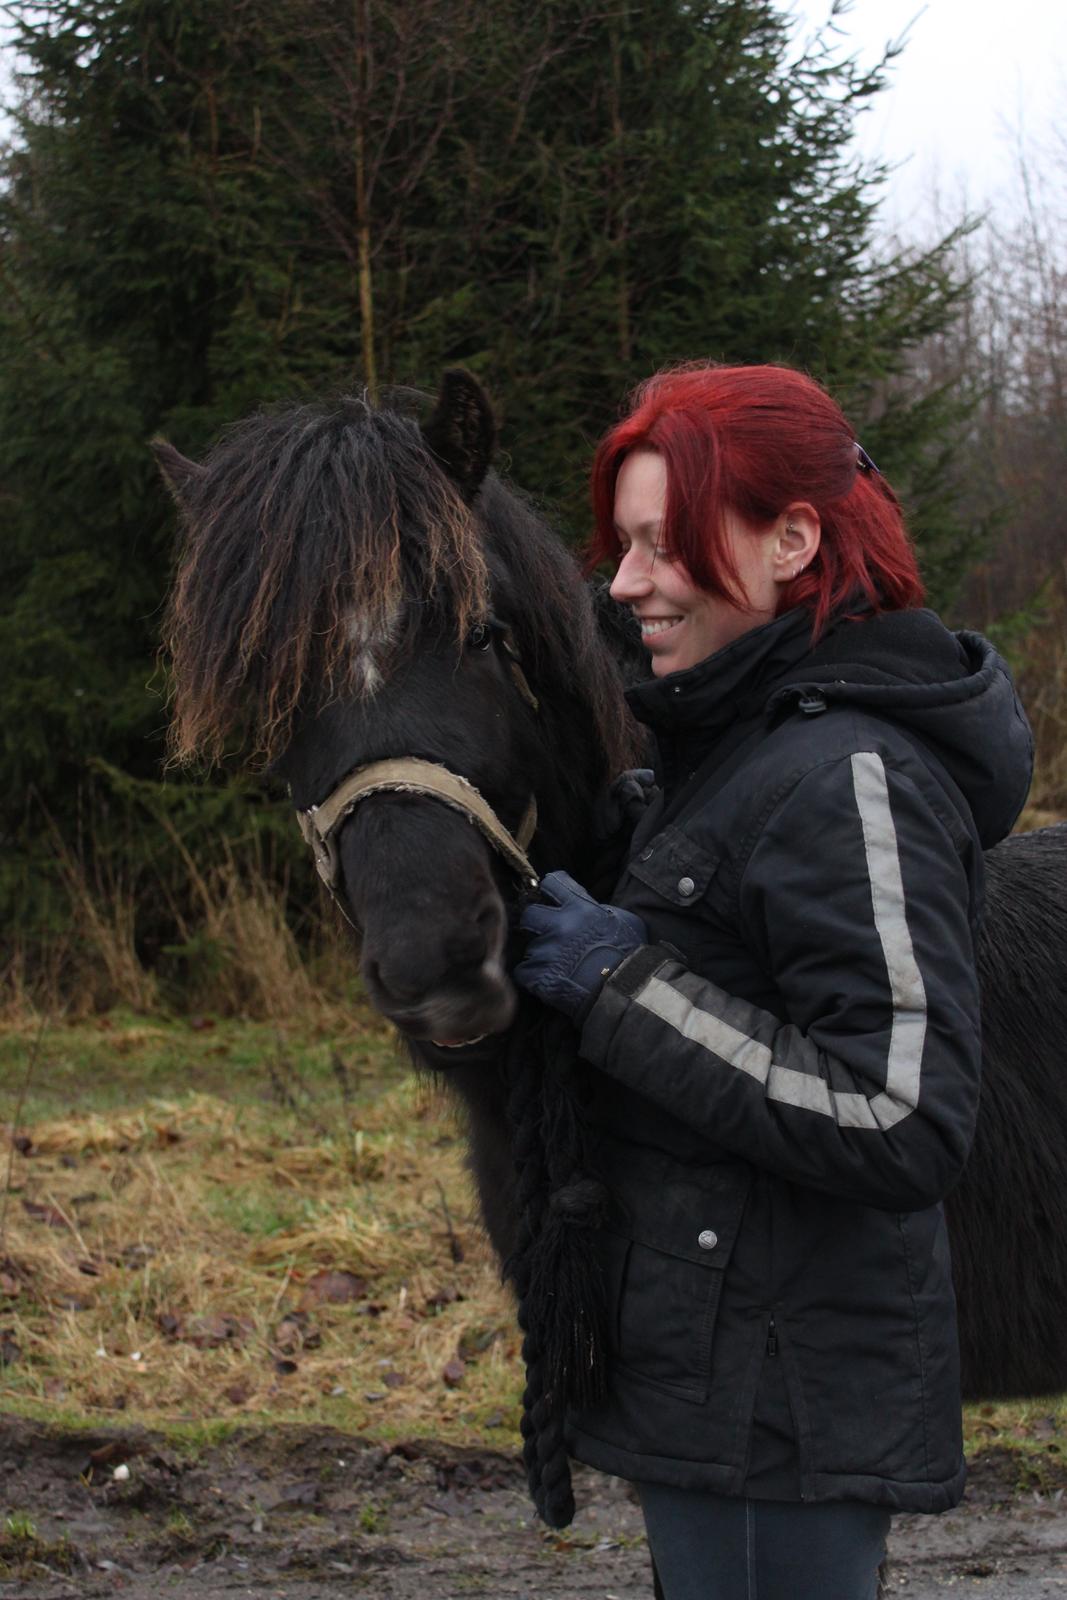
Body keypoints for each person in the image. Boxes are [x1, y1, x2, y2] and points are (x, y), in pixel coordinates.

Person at [512, 363, 1033, 1600]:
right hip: (726, 1378)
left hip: (782, 1406)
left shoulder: (848, 775)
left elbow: (899, 1113)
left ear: (793, 538)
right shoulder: (740, 750)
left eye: (660, 544)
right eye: (621, 546)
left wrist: (620, 986)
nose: (624, 583)